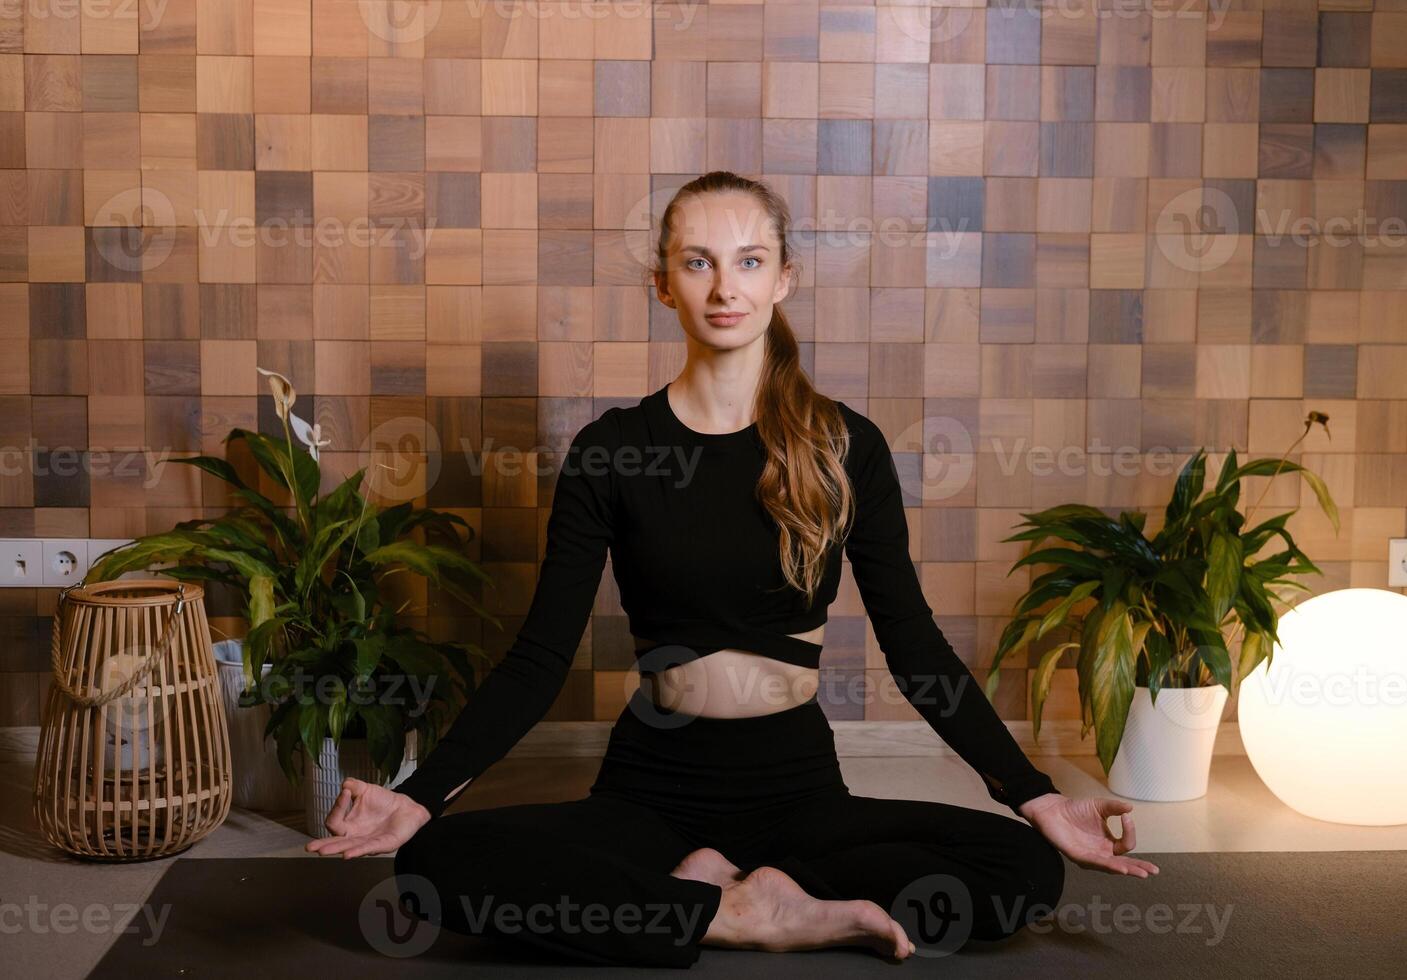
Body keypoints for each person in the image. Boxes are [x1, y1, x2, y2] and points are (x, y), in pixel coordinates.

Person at [305, 171, 1159, 967]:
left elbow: (913, 644)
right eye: (699, 263)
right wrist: (422, 795)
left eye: (749, 262)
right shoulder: (614, 452)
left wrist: (1036, 797)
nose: (725, 288)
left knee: (1022, 866)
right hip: (650, 789)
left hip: (797, 790)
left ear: (783, 278)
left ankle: (762, 892)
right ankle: (732, 913)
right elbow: (538, 659)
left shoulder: (841, 446)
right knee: (436, 860)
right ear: (663, 283)